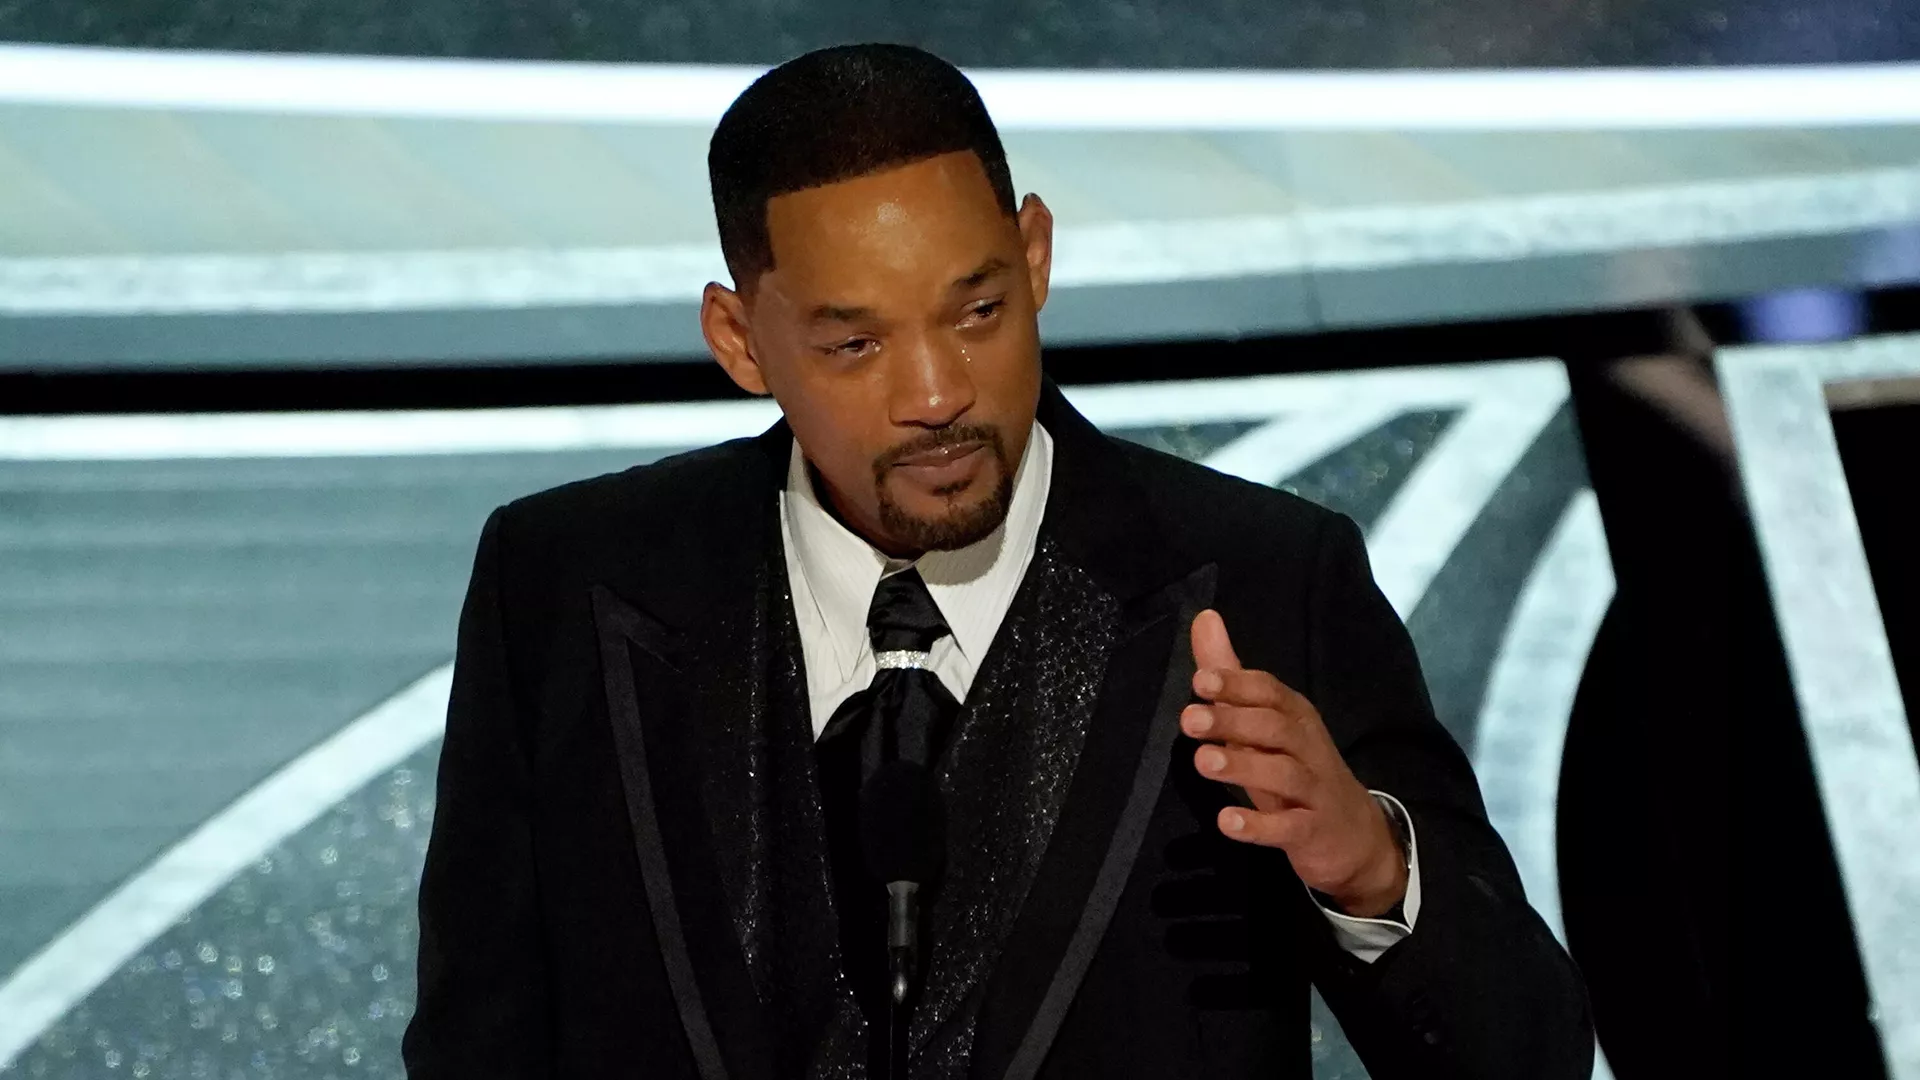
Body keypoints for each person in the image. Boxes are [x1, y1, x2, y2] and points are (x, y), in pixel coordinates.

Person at [402, 42, 1592, 1080]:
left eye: (977, 313)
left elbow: (1528, 1055)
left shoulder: (1268, 582)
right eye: (856, 343)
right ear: (741, 340)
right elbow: (476, 1045)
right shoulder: (561, 586)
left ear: (1033, 257)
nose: (937, 394)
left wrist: (1372, 873)